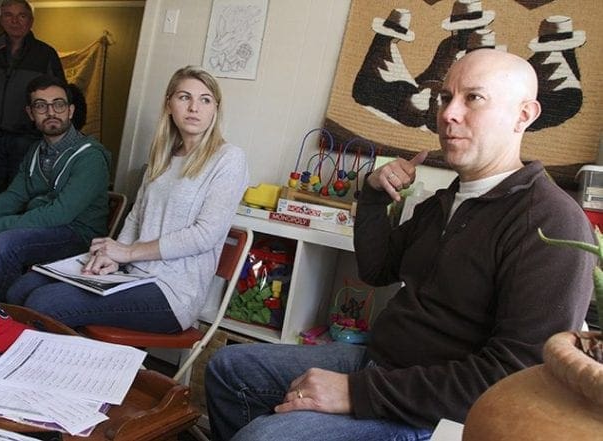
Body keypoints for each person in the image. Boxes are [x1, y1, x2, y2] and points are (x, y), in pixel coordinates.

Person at [203, 49, 596, 441]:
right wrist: (373, 196)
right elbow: (377, 270)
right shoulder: (444, 201)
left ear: (524, 115)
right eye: (445, 98)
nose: (448, 114)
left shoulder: (548, 221)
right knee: (228, 367)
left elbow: (512, 377)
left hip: (431, 414)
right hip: (378, 361)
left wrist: (356, 393)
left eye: (473, 98)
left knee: (263, 437)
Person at [5, 66, 248, 335]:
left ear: (215, 109)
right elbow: (136, 216)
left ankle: (39, 372)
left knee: (45, 302)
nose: (194, 107)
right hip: (129, 275)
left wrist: (128, 253)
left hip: (172, 293)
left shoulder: (229, 159)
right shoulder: (163, 157)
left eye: (205, 99)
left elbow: (204, 236)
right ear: (169, 104)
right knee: (24, 287)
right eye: (184, 97)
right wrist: (114, 256)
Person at [0, 75, 110, 302]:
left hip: (76, 234)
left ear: (70, 111)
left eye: (58, 104)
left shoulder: (91, 156)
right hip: (41, 225)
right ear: (31, 114)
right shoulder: (36, 151)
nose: (51, 112)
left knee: (5, 242)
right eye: (41, 106)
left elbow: (58, 214)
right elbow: (15, 195)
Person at [0, 0, 66, 206]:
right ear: (0, 19)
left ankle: (6, 238)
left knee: (18, 195)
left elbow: (59, 95)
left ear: (31, 21)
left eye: (21, 15)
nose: (14, 21)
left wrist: (39, 125)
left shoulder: (45, 54)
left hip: (25, 137)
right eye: (8, 15)